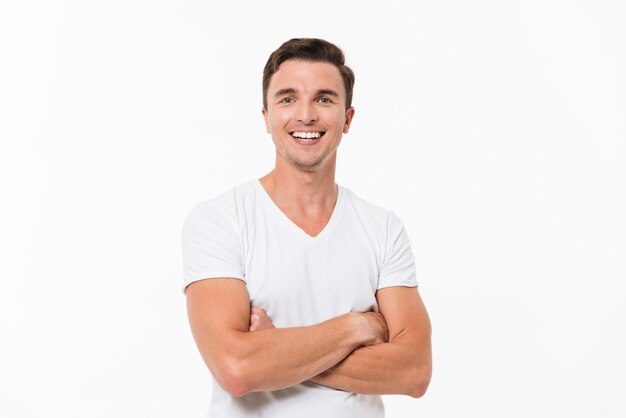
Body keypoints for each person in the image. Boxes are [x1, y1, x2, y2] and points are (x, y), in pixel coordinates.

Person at [182, 38, 432, 418]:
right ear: (265, 117)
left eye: (324, 99)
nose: (306, 115)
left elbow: (414, 372)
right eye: (287, 99)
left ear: (347, 119)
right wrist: (356, 327)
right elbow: (237, 369)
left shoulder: (382, 228)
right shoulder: (220, 219)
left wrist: (275, 348)